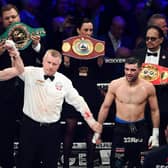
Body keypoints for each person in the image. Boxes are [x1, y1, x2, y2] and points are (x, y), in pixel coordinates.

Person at [15, 49, 102, 168]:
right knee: (25, 163)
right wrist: (14, 53)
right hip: (30, 127)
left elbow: (78, 102)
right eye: (48, 62)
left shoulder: (64, 81)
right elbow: (17, 68)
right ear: (43, 61)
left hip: (52, 130)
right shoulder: (30, 73)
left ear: (59, 65)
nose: (50, 67)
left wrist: (91, 121)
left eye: (54, 64)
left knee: (50, 164)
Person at [93, 57, 160, 167]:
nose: (129, 73)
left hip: (140, 129)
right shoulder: (115, 84)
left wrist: (155, 133)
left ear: (140, 69)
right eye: (126, 69)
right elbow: (105, 107)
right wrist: (98, 130)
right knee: (117, 164)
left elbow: (154, 110)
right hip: (121, 129)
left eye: (133, 70)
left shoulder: (148, 87)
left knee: (141, 165)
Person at [61, 17, 103, 168]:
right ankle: (65, 164)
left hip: (90, 91)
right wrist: (66, 62)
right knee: (70, 127)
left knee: (90, 129)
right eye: (86, 30)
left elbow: (101, 72)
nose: (89, 33)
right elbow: (63, 72)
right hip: (73, 91)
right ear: (78, 30)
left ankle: (90, 164)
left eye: (91, 30)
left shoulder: (97, 47)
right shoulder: (68, 46)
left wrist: (100, 62)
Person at [133, 25, 168, 145]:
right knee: (139, 138)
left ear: (161, 40)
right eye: (147, 38)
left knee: (161, 140)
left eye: (153, 39)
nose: (149, 41)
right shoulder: (137, 54)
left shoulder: (167, 56)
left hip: (161, 103)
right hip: (140, 103)